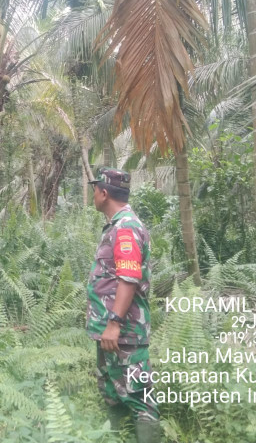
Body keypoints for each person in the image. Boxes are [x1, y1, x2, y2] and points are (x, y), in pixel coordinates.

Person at [86, 168, 161, 443]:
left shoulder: (126, 227)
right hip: (111, 332)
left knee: (141, 399)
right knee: (112, 394)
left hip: (123, 332)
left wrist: (114, 323)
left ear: (104, 193)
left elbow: (129, 279)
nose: (93, 194)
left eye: (95, 189)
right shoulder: (117, 225)